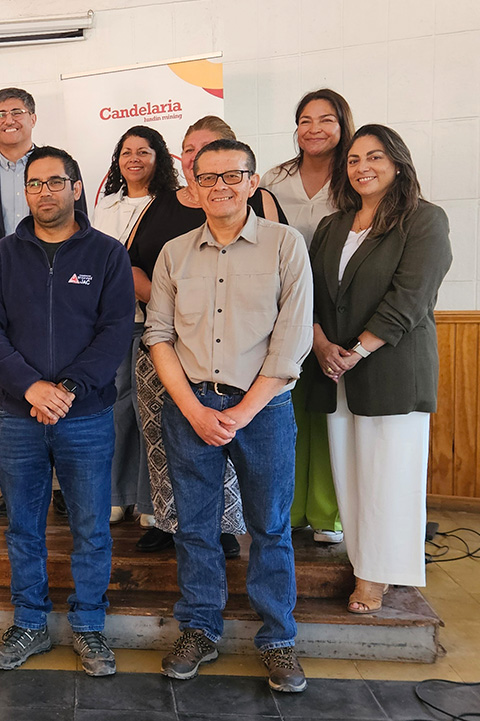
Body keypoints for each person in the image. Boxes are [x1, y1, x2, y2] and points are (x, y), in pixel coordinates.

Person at [145, 138, 312, 693]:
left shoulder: (285, 244)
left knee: (270, 527)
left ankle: (279, 639)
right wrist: (193, 409)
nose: (219, 186)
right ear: (192, 187)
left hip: (263, 408)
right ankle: (199, 630)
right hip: (190, 406)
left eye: (231, 175)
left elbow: (291, 340)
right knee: (195, 528)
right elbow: (159, 335)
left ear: (252, 181)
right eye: (207, 177)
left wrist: (241, 411)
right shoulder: (174, 253)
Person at [0, 146, 134, 675]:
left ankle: (89, 625)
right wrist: (30, 388)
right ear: (26, 193)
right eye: (35, 184)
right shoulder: (2, 256)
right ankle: (30, 623)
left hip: (85, 416)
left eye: (55, 182)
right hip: (20, 418)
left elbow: (116, 331)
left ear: (76, 187)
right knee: (24, 527)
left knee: (91, 527)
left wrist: (64, 389)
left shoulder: (107, 255)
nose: (44, 192)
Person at [305, 125, 451, 613]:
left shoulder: (424, 219)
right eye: (353, 159)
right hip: (334, 368)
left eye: (374, 157)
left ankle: (376, 574)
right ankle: (363, 559)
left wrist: (358, 351)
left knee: (389, 476)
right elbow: (311, 294)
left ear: (397, 164)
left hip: (391, 368)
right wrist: (321, 343)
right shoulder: (333, 225)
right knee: (351, 474)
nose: (362, 167)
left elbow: (411, 297)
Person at [128, 116, 288, 557]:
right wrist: (175, 306)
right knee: (170, 453)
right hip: (173, 357)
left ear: (249, 179)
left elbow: (285, 316)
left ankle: (229, 532)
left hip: (250, 376)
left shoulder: (272, 223)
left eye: (214, 152)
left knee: (264, 514)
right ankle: (172, 526)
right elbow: (132, 265)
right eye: (191, 151)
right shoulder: (163, 212)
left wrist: (245, 408)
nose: (205, 164)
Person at [0, 87, 88, 520]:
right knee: (12, 391)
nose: (8, 119)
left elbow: (80, 230)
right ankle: (15, 487)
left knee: (61, 382)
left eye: (17, 111)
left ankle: (64, 486)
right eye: (0, 113)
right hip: (2, 306)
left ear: (32, 117)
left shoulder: (58, 168)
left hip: (60, 302)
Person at [261, 89, 356, 545]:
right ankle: (292, 508)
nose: (314, 129)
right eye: (305, 120)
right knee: (288, 408)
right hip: (283, 303)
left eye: (326, 119)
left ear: (343, 125)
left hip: (340, 303)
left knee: (330, 410)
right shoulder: (274, 178)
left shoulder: (355, 175)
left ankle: (326, 514)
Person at [91, 125, 178, 527]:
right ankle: (116, 495)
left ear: (159, 158)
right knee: (116, 406)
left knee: (151, 411)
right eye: (126, 152)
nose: (134, 159)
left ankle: (148, 501)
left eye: (144, 151)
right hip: (112, 321)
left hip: (155, 322)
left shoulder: (171, 205)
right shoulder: (106, 206)